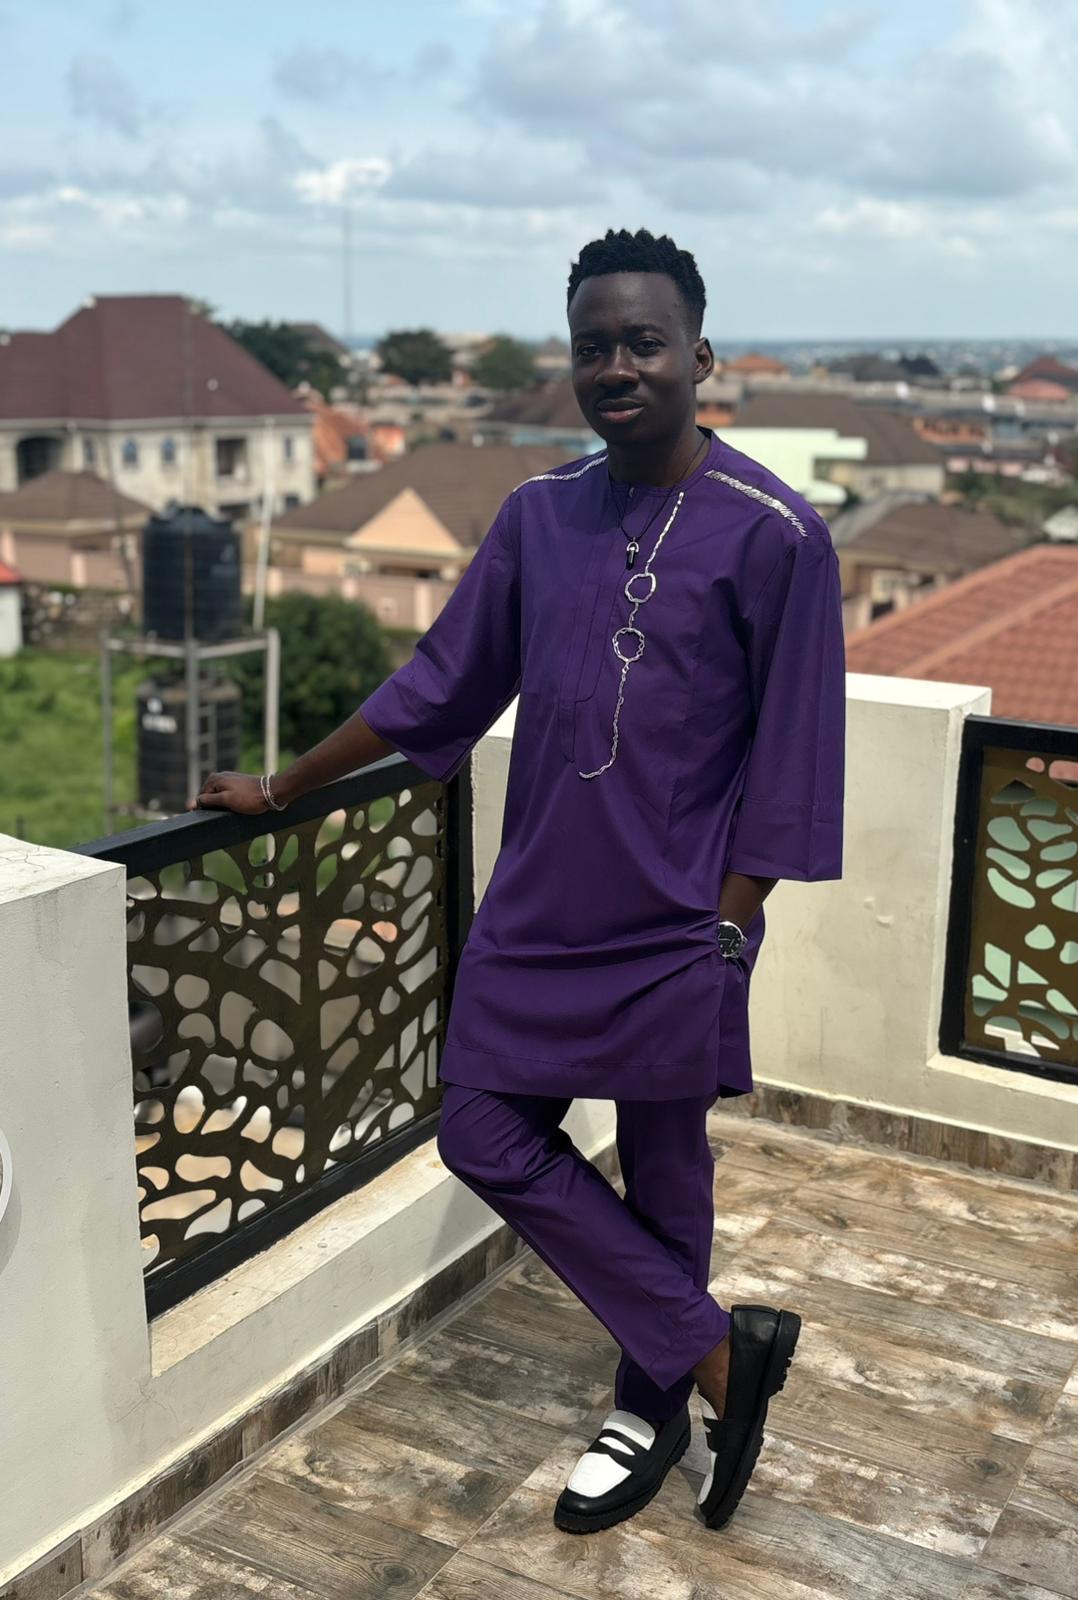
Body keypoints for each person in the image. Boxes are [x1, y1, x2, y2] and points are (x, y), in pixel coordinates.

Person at [191, 227, 846, 1534]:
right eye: (593, 347)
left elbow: (795, 764)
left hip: (677, 925)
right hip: (538, 912)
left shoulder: (779, 536)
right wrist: (287, 784)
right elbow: (437, 687)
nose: (618, 367)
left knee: (666, 1167)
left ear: (701, 355)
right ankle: (714, 1353)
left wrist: (728, 932)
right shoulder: (539, 517)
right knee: (482, 1132)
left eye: (644, 342)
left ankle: (650, 1404)